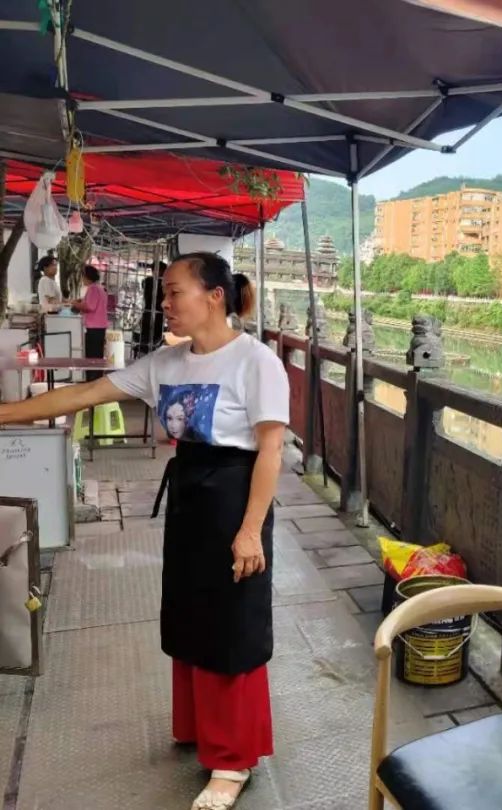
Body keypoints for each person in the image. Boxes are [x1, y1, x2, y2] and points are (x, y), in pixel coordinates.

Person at [0, 252, 289, 810]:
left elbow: (271, 451)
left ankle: (233, 760)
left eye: (175, 292)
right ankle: (199, 728)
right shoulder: (165, 363)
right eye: (165, 293)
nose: (165, 303)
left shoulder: (256, 362)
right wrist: (6, 414)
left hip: (235, 496)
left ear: (215, 296)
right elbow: (83, 395)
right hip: (190, 496)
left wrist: (251, 530)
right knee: (188, 613)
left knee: (232, 624)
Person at [69, 265, 108, 381]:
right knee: (97, 355)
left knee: (92, 356)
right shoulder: (100, 288)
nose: (82, 279)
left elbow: (90, 306)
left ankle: (92, 379)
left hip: (93, 327)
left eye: (83, 276)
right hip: (100, 326)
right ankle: (97, 379)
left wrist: (75, 304)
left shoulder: (93, 289)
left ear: (87, 277)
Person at [137, 260, 167, 356]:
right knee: (156, 337)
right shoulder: (163, 284)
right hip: (159, 313)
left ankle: (143, 355)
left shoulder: (146, 281)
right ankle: (153, 354)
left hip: (148, 312)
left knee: (145, 337)